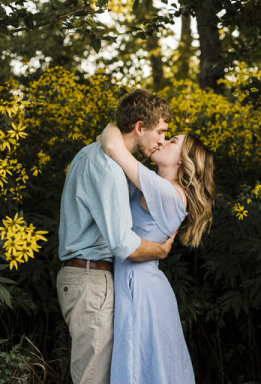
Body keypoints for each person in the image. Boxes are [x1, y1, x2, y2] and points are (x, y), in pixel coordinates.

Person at [56, 89, 176, 384]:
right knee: (93, 378)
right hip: (91, 279)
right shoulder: (108, 168)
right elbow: (123, 244)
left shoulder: (100, 156)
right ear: (139, 128)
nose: (162, 140)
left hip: (85, 278)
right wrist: (160, 251)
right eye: (161, 132)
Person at [100, 122, 215, 384]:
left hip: (139, 290)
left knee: (138, 366)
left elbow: (110, 143)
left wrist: (113, 126)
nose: (162, 142)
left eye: (172, 141)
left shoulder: (168, 193)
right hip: (142, 285)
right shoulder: (156, 187)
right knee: (150, 367)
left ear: (183, 161)